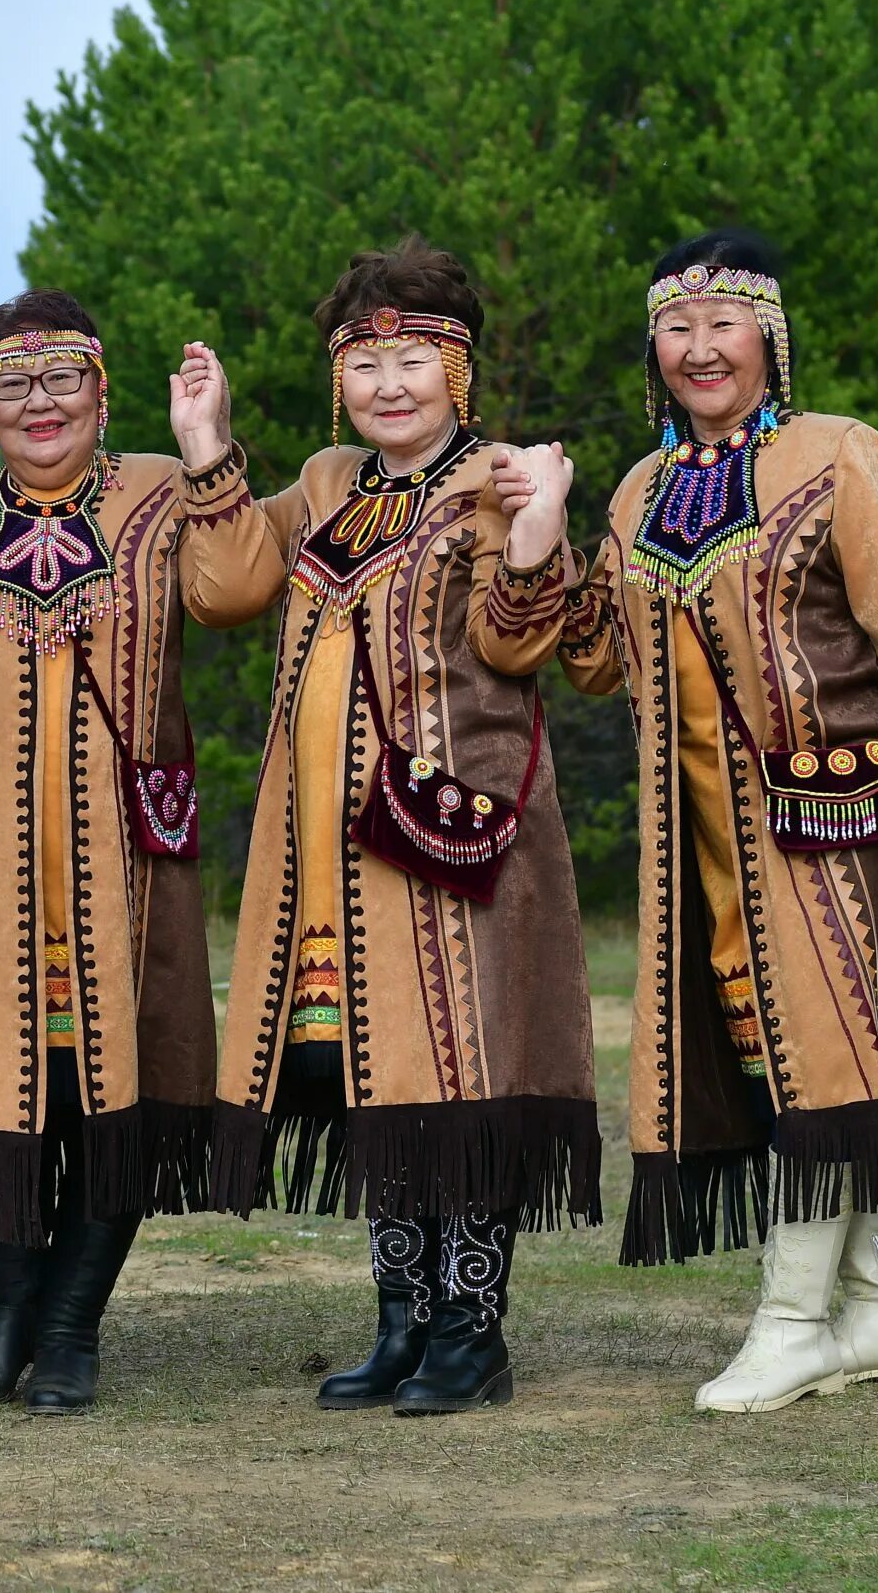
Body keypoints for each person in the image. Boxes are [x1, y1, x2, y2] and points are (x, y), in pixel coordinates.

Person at [555, 228, 878, 1413]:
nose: (697, 346)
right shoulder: (638, 490)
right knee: (797, 1063)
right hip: (702, 853)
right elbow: (592, 666)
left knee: (826, 1061)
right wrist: (535, 540)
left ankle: (788, 1324)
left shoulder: (835, 455)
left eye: (723, 322)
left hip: (832, 824)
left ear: (768, 338)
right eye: (674, 326)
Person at [0, 291, 283, 1414]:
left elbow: (234, 593)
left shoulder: (162, 493)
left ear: (101, 390)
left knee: (106, 1094)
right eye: (13, 386)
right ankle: (2, 1325)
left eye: (62, 380)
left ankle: (69, 1332)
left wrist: (208, 447)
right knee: (7, 1098)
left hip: (131, 861)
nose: (40, 405)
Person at [207, 239, 600, 1414]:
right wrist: (206, 451)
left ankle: (471, 1335)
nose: (389, 384)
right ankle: (401, 1321)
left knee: (460, 1072)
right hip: (328, 847)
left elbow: (521, 647)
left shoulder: (504, 478)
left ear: (459, 371)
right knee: (375, 1071)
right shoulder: (328, 482)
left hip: (458, 834)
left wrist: (536, 532)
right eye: (366, 361)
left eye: (413, 360)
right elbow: (228, 582)